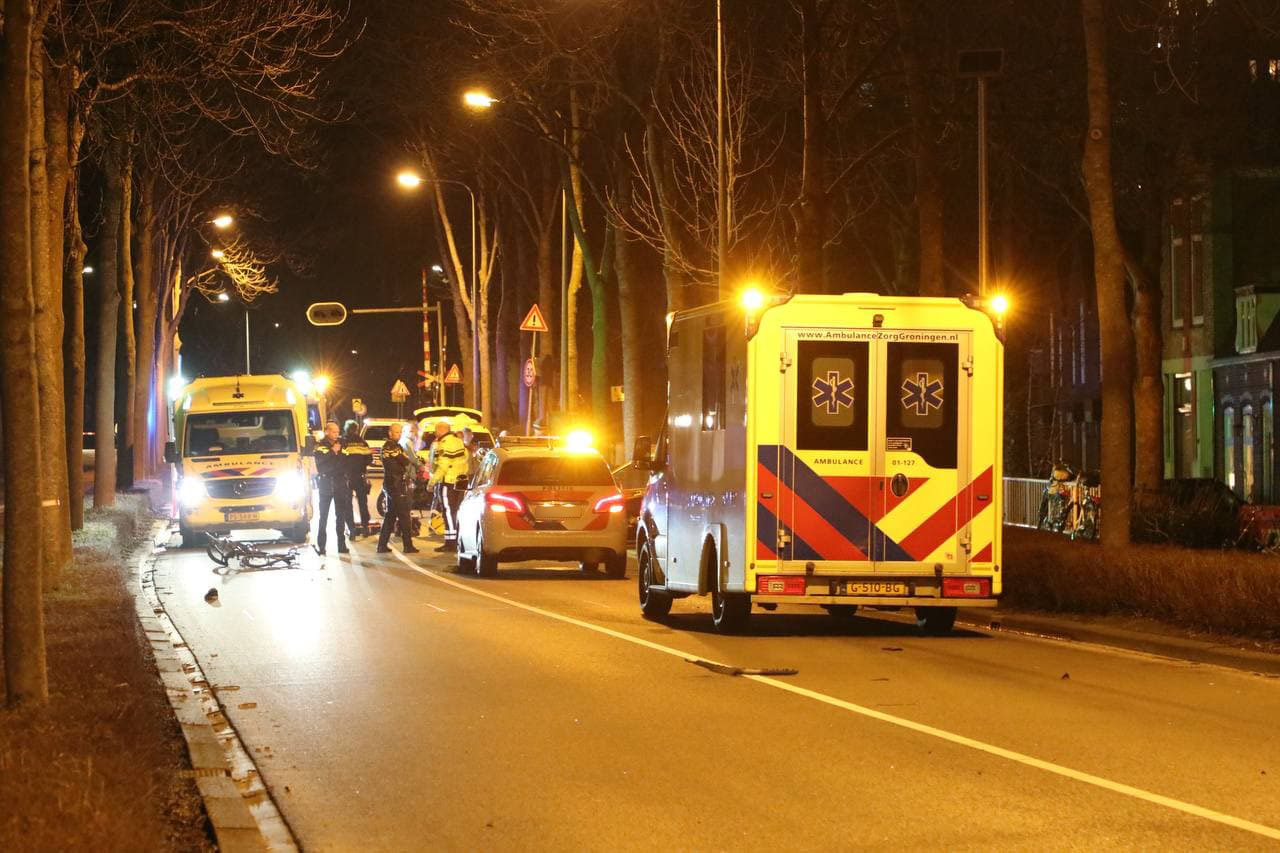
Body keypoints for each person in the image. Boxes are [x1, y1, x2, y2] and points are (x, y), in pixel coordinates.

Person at [376, 421, 419, 554]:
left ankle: (382, 545)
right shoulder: (391, 446)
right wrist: (406, 460)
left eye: (400, 432)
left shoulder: (391, 446)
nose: (399, 434)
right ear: (390, 433)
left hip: (391, 483)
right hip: (395, 484)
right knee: (404, 515)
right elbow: (405, 461)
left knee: (390, 515)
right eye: (396, 432)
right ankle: (408, 545)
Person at [428, 417, 469, 552]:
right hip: (460, 482)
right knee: (456, 511)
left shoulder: (444, 444)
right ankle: (456, 540)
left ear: (441, 430)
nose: (435, 433)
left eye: (436, 430)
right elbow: (466, 458)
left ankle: (450, 542)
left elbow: (443, 466)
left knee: (448, 512)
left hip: (448, 482)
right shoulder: (459, 441)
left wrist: (432, 482)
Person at [313, 421, 349, 555]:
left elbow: (345, 460)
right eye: (334, 432)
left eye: (338, 432)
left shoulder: (342, 444)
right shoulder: (320, 445)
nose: (336, 434)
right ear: (327, 431)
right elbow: (320, 462)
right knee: (323, 517)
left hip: (340, 483)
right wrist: (333, 452)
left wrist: (334, 459)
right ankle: (321, 546)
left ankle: (342, 545)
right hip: (326, 484)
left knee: (341, 517)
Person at [343, 420, 372, 538]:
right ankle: (365, 528)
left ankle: (352, 530)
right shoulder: (362, 443)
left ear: (346, 429)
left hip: (346, 477)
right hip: (360, 476)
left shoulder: (342, 442)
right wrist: (361, 464)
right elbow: (369, 459)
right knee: (362, 503)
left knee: (347, 504)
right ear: (356, 429)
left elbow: (339, 459)